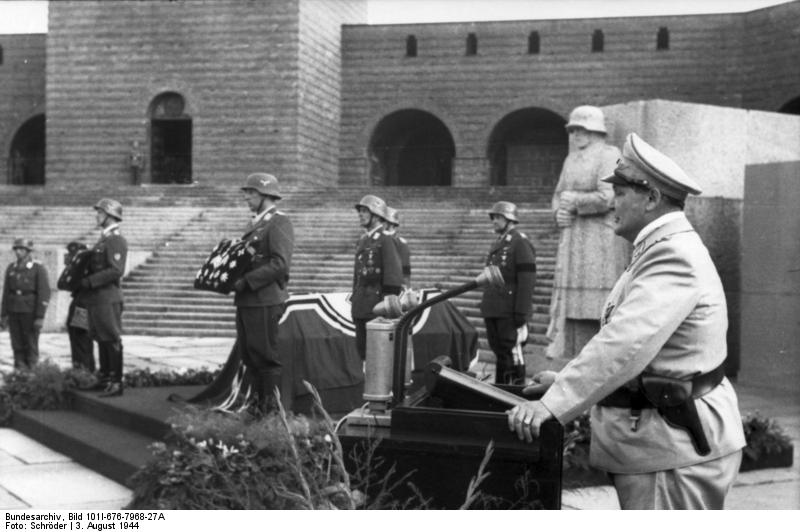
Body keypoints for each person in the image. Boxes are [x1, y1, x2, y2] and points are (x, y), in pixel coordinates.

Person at [508, 133, 746, 510]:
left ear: (651, 198)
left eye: (619, 192)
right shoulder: (658, 248)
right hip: (664, 445)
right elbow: (648, 352)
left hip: (673, 450)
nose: (611, 202)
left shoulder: (672, 255)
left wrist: (553, 404)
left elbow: (625, 343)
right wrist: (564, 378)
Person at [546, 105, 631, 360]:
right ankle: (567, 346)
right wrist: (558, 211)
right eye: (572, 130)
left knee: (598, 301)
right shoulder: (570, 159)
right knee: (571, 302)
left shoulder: (609, 154)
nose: (575, 135)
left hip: (600, 238)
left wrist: (576, 202)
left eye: (580, 129)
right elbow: (558, 194)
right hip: (573, 238)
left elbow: (610, 195)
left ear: (595, 130)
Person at [234, 173, 294, 415]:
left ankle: (269, 412)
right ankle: (256, 406)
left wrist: (247, 281)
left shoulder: (278, 222)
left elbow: (280, 264)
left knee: (265, 357)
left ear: (267, 195)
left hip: (265, 299)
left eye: (252, 193)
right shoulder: (254, 223)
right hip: (248, 300)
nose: (247, 197)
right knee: (250, 356)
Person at [479, 201, 536, 385]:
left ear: (510, 219)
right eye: (493, 217)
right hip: (495, 308)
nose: (494, 221)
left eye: (498, 217)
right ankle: (501, 391)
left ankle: (516, 393)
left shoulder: (520, 242)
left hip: (510, 311)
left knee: (513, 353)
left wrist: (521, 311)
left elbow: (527, 280)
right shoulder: (499, 243)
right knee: (500, 353)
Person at [81, 199, 128, 397]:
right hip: (98, 298)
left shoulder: (115, 240)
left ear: (110, 215)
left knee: (111, 338)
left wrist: (90, 281)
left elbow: (116, 270)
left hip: (108, 297)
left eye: (100, 212)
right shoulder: (103, 240)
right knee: (101, 337)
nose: (97, 215)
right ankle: (105, 377)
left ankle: (116, 381)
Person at [351, 195, 403, 361]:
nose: (360, 214)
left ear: (377, 215)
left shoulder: (385, 240)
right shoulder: (364, 240)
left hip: (376, 309)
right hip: (361, 307)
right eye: (360, 211)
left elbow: (393, 281)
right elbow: (357, 277)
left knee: (378, 359)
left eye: (365, 211)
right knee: (364, 356)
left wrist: (383, 310)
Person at [1, 238, 51, 370]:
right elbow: (6, 293)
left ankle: (32, 372)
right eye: (16, 249)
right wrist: (4, 314)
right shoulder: (11, 267)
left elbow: (44, 292)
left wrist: (40, 316)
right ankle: (19, 371)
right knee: (16, 343)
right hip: (13, 309)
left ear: (28, 251)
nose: (18, 252)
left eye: (21, 249)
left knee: (30, 343)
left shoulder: (37, 268)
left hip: (30, 310)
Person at [63, 241, 94, 372]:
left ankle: (85, 372)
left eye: (73, 255)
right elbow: (63, 284)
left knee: (81, 340)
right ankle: (79, 371)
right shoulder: (76, 267)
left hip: (83, 305)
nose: (70, 257)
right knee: (75, 338)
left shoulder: (86, 267)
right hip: (77, 302)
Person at [382, 206, 411, 288]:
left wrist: (407, 288)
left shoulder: (401, 243)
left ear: (391, 223)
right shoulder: (375, 240)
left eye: (383, 221)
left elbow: (405, 271)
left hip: (393, 287)